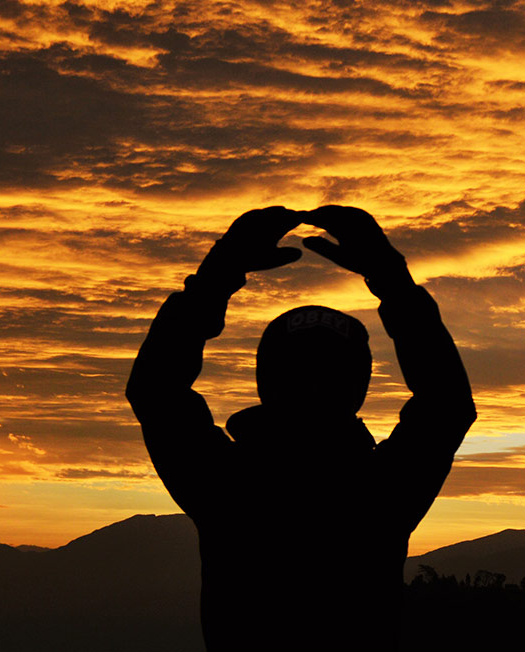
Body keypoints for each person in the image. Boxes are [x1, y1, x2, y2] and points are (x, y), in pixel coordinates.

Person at [126, 205, 476, 650]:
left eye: (322, 375)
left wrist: (219, 272)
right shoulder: (382, 490)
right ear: (358, 388)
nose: (313, 386)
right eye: (306, 374)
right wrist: (390, 278)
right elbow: (445, 404)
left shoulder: (225, 485)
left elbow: (156, 391)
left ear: (266, 383)